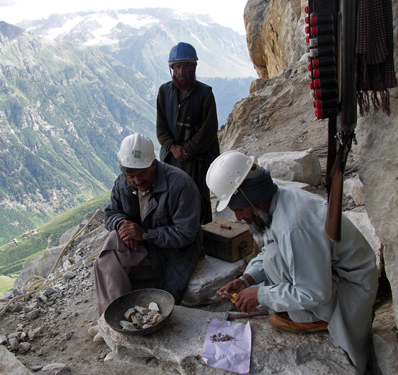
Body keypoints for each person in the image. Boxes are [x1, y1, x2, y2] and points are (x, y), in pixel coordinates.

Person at [206, 150, 378, 374]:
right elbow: (271, 248)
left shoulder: (294, 227)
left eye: (238, 209)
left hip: (349, 290)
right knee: (274, 255)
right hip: (332, 275)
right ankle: (306, 312)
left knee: (283, 270)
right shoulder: (277, 201)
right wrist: (246, 280)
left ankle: (316, 317)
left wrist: (261, 295)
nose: (238, 218)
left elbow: (315, 292)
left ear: (250, 196)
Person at [93, 133, 202, 319]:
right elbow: (111, 213)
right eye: (131, 176)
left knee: (115, 260)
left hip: (171, 252)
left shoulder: (179, 184)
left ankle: (126, 316)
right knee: (107, 255)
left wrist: (145, 234)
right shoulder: (123, 182)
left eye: (142, 173)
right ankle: (113, 318)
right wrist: (121, 224)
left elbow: (186, 233)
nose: (137, 181)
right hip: (142, 246)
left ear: (154, 164)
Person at [156, 42, 220, 224]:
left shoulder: (205, 93)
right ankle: (177, 236)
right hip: (172, 158)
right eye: (177, 66)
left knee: (198, 198)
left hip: (197, 159)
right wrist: (172, 147)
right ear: (172, 69)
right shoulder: (164, 92)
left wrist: (188, 149)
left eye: (186, 65)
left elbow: (208, 130)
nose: (182, 70)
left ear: (194, 66)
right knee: (173, 198)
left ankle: (201, 238)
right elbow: (161, 127)